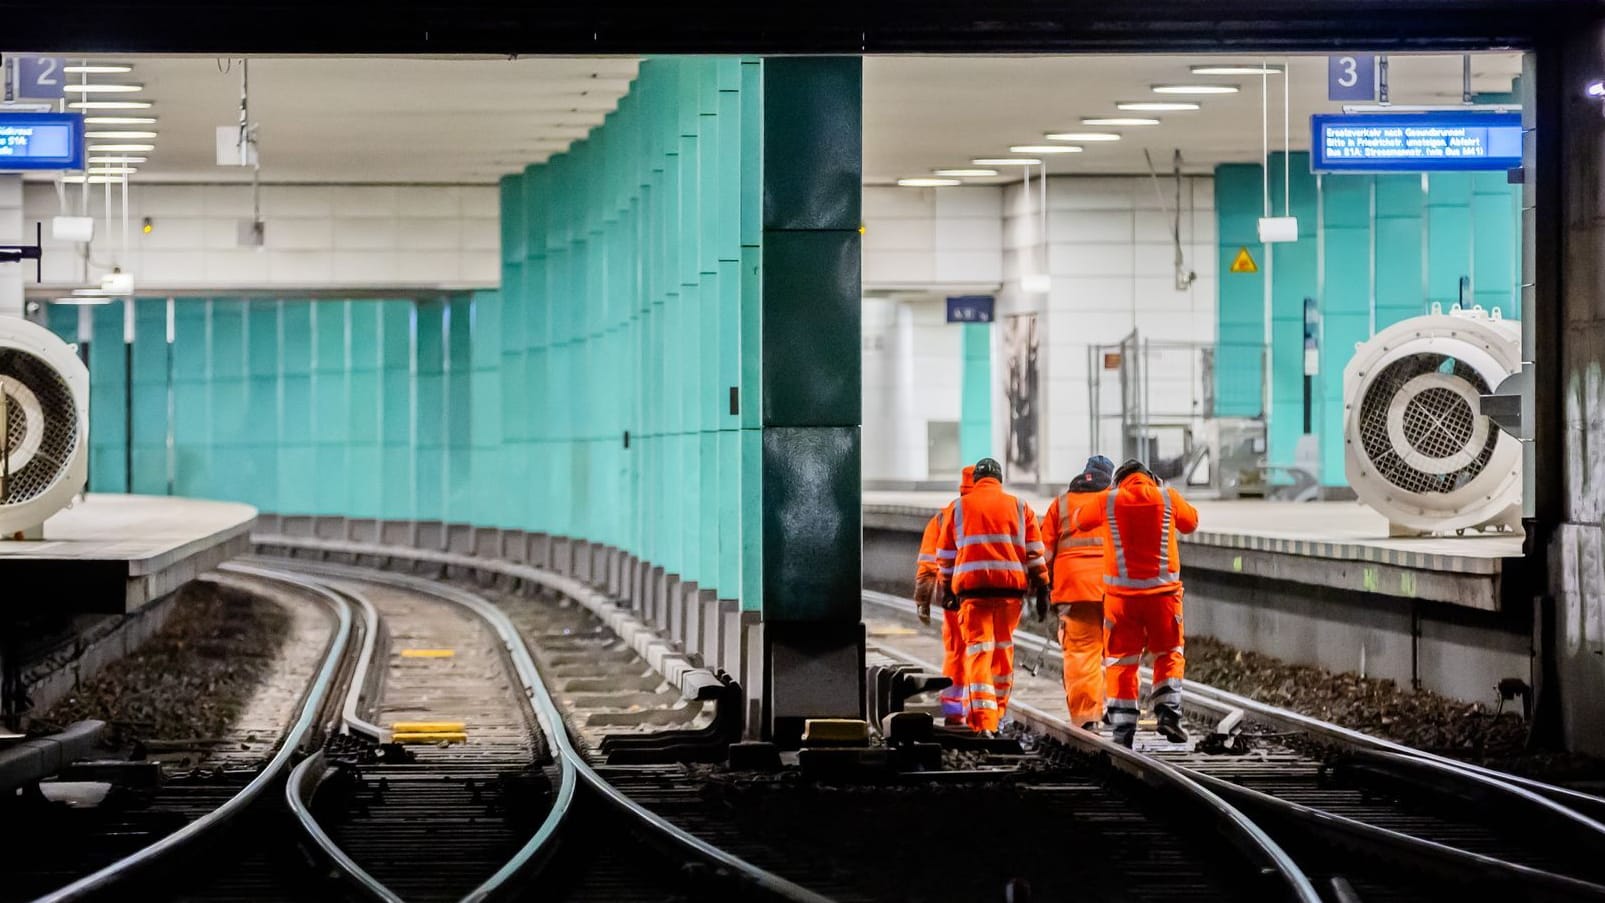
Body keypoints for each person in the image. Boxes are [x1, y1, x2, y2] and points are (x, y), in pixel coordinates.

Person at [1073, 458, 1198, 748]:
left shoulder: (1109, 500)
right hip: (1163, 599)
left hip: (1122, 603)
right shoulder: (1166, 496)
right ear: (1150, 477)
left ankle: (1123, 728)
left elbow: (1079, 520)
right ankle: (1168, 712)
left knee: (1121, 663)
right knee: (1169, 653)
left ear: (1119, 480)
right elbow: (1191, 522)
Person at [936, 457, 1050, 735]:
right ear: (1000, 479)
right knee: (1002, 649)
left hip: (973, 593)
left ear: (975, 481)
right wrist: (1043, 587)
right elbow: (1035, 552)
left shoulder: (959, 507)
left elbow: (946, 555)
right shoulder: (1020, 506)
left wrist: (948, 587)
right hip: (1010, 593)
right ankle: (997, 711)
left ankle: (984, 721)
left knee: (978, 651)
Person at [1038, 455, 1115, 731]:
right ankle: (1121, 710)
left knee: (1082, 654)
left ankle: (1088, 718)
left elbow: (1044, 553)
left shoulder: (1060, 504)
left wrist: (1041, 587)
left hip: (1074, 591)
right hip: (1114, 588)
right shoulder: (1116, 502)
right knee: (1120, 653)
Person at [914, 465, 976, 726]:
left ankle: (953, 710)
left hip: (952, 597)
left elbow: (928, 562)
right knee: (987, 651)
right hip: (990, 595)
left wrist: (923, 598)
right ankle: (985, 711)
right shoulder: (1002, 510)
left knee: (956, 651)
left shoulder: (943, 517)